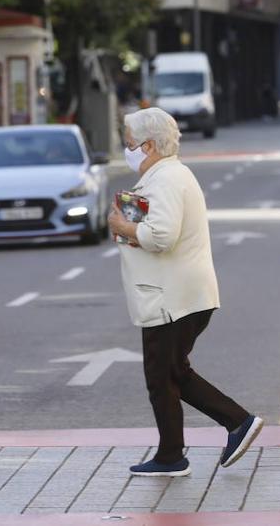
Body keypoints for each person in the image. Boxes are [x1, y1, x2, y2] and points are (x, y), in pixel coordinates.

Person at [107, 107, 262, 478]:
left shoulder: (165, 180)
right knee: (171, 374)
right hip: (175, 295)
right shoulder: (165, 176)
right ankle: (178, 451)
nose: (126, 150)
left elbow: (161, 235)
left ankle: (229, 426)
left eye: (129, 144)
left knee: (163, 377)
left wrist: (121, 225)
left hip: (170, 298)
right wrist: (129, 225)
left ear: (148, 145)